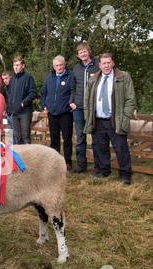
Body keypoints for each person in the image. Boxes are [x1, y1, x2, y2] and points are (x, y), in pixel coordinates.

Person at [83, 53, 135, 185]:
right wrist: (88, 116)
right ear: (99, 65)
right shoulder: (93, 79)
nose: (106, 65)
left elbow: (130, 99)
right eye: (103, 63)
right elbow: (87, 101)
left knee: (121, 148)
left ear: (112, 63)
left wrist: (126, 116)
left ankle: (125, 174)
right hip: (98, 120)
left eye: (108, 62)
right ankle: (104, 171)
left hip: (116, 119)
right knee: (101, 148)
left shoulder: (123, 77)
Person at [70, 42, 100, 173]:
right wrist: (72, 101)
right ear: (78, 55)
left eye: (85, 51)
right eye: (80, 52)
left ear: (89, 52)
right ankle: (81, 166)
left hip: (94, 108)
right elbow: (72, 87)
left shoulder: (98, 65)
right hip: (79, 108)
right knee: (80, 138)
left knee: (96, 138)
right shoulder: (76, 69)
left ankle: (99, 167)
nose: (83, 54)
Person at [41, 55, 74, 170]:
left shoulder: (71, 76)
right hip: (52, 113)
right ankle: (55, 162)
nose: (59, 67)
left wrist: (71, 103)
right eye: (57, 65)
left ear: (64, 65)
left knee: (67, 139)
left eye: (61, 65)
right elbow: (43, 92)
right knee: (54, 139)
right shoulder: (49, 78)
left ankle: (68, 162)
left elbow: (73, 92)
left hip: (65, 113)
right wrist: (44, 104)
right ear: (54, 66)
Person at [7, 56, 37, 144]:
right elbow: (10, 94)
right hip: (14, 113)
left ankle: (28, 157)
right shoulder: (12, 79)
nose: (15, 67)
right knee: (18, 138)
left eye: (18, 65)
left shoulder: (28, 78)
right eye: (14, 65)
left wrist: (24, 102)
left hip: (25, 112)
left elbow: (33, 93)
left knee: (25, 137)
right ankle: (20, 157)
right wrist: (9, 107)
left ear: (23, 66)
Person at [1, 70, 16, 144]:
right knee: (10, 135)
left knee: (16, 135)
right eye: (3, 79)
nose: (5, 80)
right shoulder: (6, 88)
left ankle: (17, 151)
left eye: (6, 78)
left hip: (15, 114)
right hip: (9, 114)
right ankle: (11, 151)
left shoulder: (15, 86)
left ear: (11, 77)